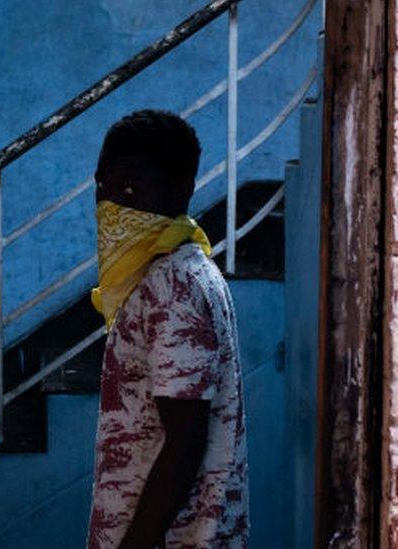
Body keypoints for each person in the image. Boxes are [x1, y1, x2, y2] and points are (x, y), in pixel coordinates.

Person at [86, 110, 248, 548]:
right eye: (103, 187)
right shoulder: (184, 270)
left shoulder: (173, 284)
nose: (111, 204)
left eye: (129, 186)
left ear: (181, 190)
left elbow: (185, 441)